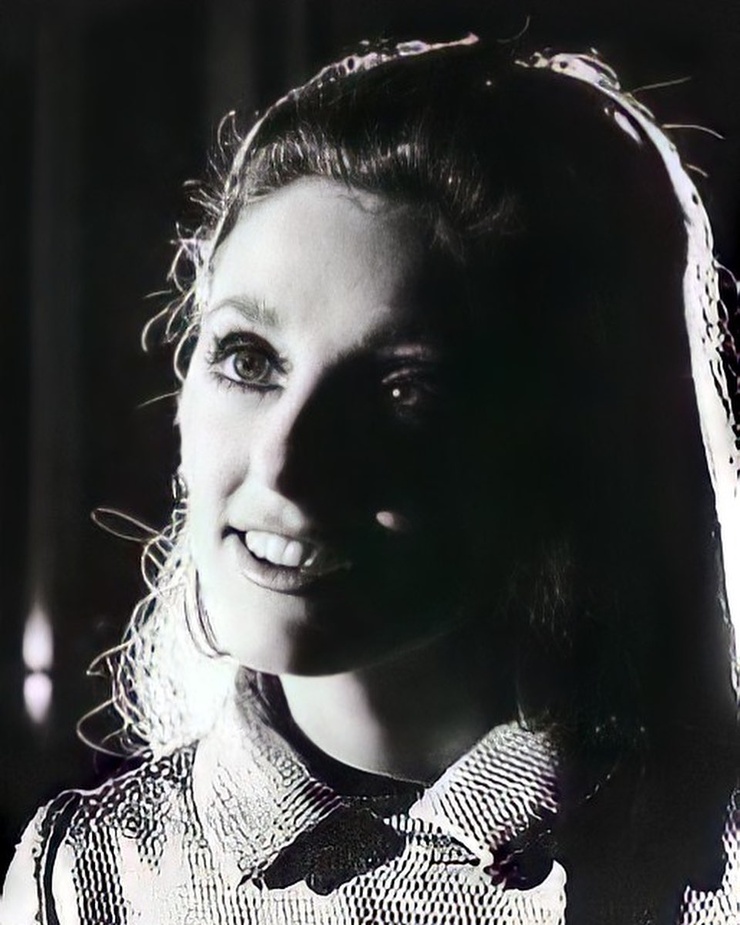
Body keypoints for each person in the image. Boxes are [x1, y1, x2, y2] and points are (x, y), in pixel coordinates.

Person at [2, 34, 739, 925]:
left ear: (569, 447)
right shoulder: (89, 878)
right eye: (249, 359)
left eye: (404, 390)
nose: (284, 464)